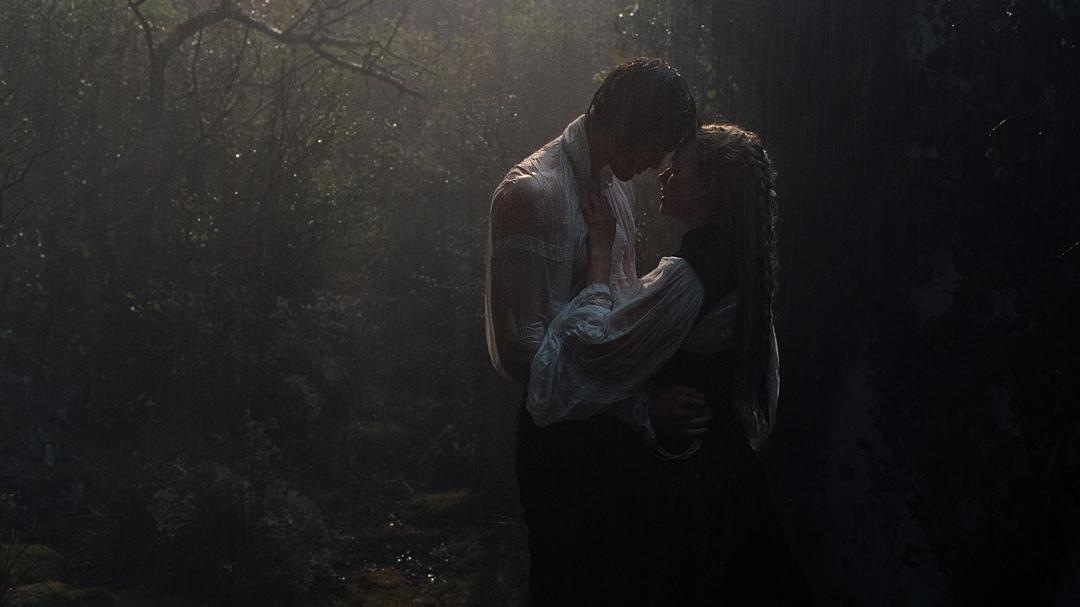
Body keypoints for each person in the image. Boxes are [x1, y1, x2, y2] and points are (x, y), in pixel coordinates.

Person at [529, 123, 811, 604]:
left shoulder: (692, 273)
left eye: (677, 167)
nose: (663, 174)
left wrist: (600, 251)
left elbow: (596, 349)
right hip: (723, 476)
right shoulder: (737, 257)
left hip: (694, 489)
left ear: (706, 185)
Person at [484, 58, 702, 604]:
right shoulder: (532, 194)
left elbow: (616, 322)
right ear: (631, 126)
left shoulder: (615, 189)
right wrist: (640, 409)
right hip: (562, 450)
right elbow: (526, 359)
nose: (657, 165)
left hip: (613, 445)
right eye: (658, 146)